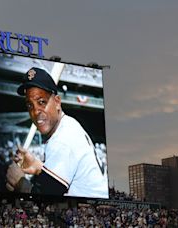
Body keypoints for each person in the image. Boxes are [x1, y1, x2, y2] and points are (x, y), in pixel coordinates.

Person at [6, 67, 108, 198]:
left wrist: (19, 182)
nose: (35, 112)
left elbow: (46, 201)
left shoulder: (63, 139)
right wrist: (38, 167)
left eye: (42, 102)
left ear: (57, 102)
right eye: (30, 105)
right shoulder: (68, 125)